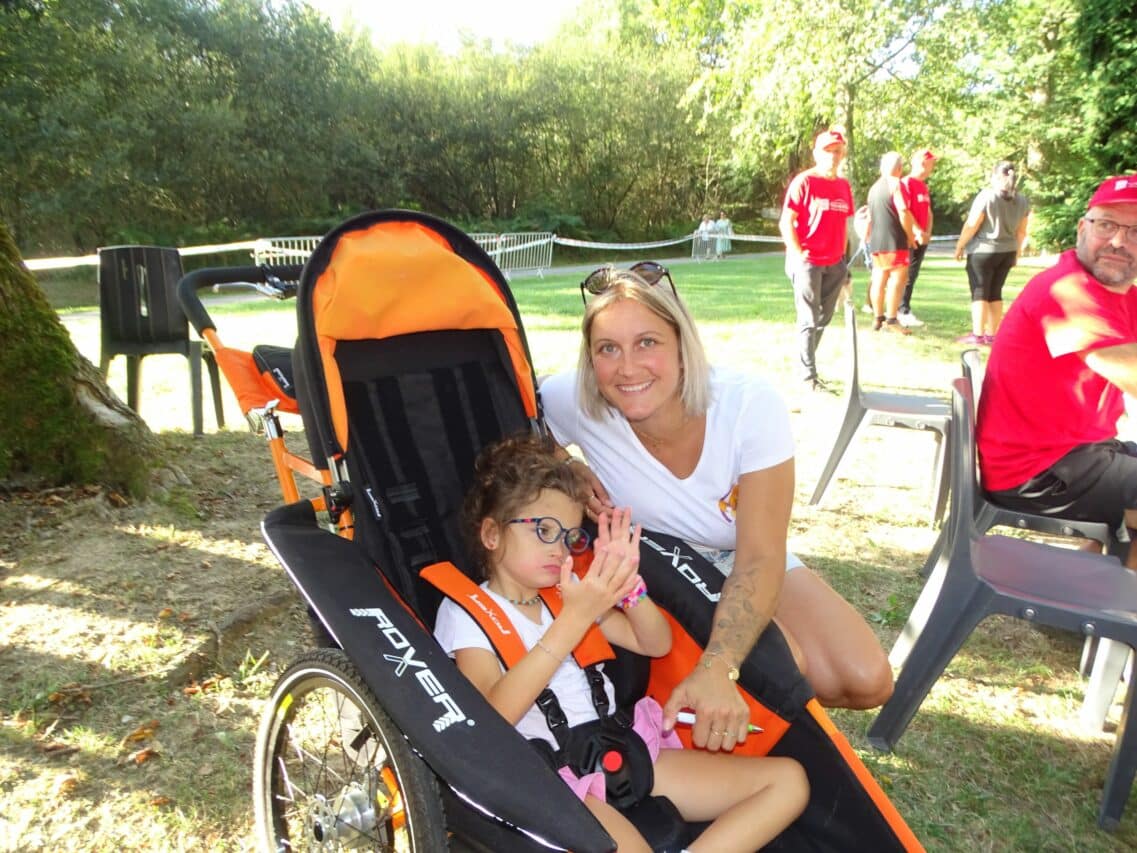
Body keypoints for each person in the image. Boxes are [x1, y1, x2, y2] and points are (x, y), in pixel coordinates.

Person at [542, 264, 894, 737]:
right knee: (788, 662)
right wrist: (563, 464)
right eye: (608, 349)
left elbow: (760, 556)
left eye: (647, 342)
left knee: (865, 679)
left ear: (683, 347)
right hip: (662, 562)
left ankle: (741, 701)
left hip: (742, 551)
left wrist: (719, 664)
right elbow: (519, 416)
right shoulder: (578, 399)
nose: (627, 367)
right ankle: (746, 719)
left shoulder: (748, 404)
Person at [435, 433, 810, 852]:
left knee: (787, 782)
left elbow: (653, 642)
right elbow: (491, 716)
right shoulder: (465, 612)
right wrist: (572, 622)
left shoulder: (569, 591)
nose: (560, 549)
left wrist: (630, 589)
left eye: (571, 537)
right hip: (555, 776)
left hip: (622, 746)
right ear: (491, 534)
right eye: (543, 530)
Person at [976, 175, 1137, 570]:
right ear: (1083, 228)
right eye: (1107, 225)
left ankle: (1090, 590)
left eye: (1135, 231)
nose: (1118, 241)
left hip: (1075, 454)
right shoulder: (1068, 290)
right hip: (1037, 469)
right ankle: (1117, 619)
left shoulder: (1121, 293)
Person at [780, 129, 856, 392]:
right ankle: (807, 374)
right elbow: (786, 222)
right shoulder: (804, 182)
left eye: (838, 151)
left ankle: (806, 364)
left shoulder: (843, 186)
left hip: (835, 262)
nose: (834, 157)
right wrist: (799, 254)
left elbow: (845, 227)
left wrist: (844, 264)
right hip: (808, 260)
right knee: (809, 318)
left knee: (824, 317)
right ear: (817, 153)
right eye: (829, 151)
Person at [954, 161, 1031, 344]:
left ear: (995, 177)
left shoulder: (986, 196)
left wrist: (960, 245)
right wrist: (1017, 253)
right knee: (996, 292)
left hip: (983, 250)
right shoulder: (1022, 200)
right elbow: (1022, 230)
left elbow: (972, 224)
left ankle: (978, 334)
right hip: (1007, 251)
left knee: (980, 292)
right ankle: (992, 334)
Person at [864, 151, 915, 335]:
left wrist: (867, 236)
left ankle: (878, 318)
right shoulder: (896, 184)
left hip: (877, 241)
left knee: (878, 279)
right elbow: (903, 211)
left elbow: (869, 217)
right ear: (899, 168)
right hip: (895, 239)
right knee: (897, 280)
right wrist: (910, 235)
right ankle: (892, 319)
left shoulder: (873, 188)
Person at [898, 149, 938, 327]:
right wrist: (916, 231)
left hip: (922, 237)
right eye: (927, 163)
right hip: (909, 237)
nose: (929, 167)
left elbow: (928, 211)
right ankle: (901, 309)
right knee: (906, 274)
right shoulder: (906, 183)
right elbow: (905, 211)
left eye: (931, 164)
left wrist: (927, 232)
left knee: (913, 274)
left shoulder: (924, 186)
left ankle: (904, 306)